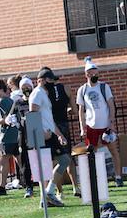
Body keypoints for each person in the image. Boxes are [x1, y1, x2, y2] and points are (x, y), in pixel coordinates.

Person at [76, 59, 124, 187]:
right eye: (91, 73)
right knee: (92, 152)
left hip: (105, 125)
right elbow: (81, 110)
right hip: (91, 126)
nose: (94, 75)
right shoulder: (82, 90)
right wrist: (82, 127)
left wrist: (111, 122)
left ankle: (118, 177)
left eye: (95, 73)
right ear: (86, 74)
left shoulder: (104, 87)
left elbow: (111, 105)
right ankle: (95, 178)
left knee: (113, 150)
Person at [29, 68, 71, 207]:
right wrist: (40, 133)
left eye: (52, 79)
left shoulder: (45, 94)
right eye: (49, 79)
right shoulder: (37, 93)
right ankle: (45, 198)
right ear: (40, 80)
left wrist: (59, 135)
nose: (52, 82)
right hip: (42, 134)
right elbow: (32, 113)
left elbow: (49, 119)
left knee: (64, 160)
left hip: (50, 134)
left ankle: (49, 192)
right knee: (44, 168)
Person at [47, 72, 80, 197]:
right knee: (68, 158)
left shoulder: (46, 92)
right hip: (64, 126)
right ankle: (75, 187)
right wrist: (66, 110)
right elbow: (75, 110)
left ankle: (59, 191)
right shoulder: (66, 88)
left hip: (52, 127)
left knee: (55, 160)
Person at [13, 76, 35, 197]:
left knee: (38, 159)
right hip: (23, 133)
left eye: (28, 86)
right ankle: (29, 187)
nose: (26, 89)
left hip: (35, 130)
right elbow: (10, 115)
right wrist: (12, 120)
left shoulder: (35, 99)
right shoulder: (18, 101)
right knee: (25, 161)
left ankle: (44, 185)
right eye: (23, 87)